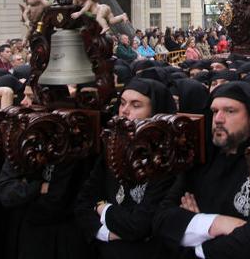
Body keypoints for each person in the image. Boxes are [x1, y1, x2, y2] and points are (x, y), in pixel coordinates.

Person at [153, 81, 250, 258]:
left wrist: (194, 238)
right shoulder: (199, 160)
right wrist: (215, 224)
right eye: (215, 111)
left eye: (230, 111)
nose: (218, 119)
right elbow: (161, 220)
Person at [74, 78, 177, 258]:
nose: (125, 111)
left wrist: (102, 208)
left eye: (136, 105)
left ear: (156, 112)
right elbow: (83, 203)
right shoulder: (112, 150)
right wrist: (103, 233)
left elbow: (140, 225)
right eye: (122, 103)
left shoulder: (167, 162)